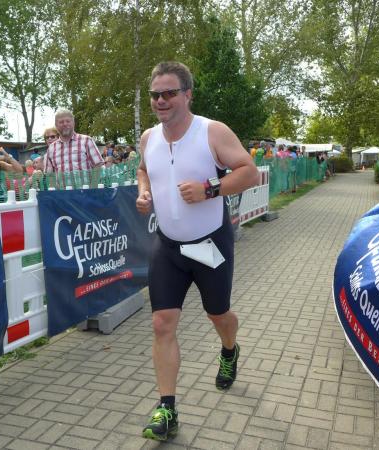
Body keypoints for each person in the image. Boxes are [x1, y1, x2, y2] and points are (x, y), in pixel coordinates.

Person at [135, 61, 259, 441]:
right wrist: (145, 192)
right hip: (168, 246)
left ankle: (229, 349)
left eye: (169, 93)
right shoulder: (148, 138)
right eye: (155, 94)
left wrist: (209, 189)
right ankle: (167, 409)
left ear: (188, 94)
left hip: (208, 244)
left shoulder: (211, 131)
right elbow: (143, 169)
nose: (161, 100)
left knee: (218, 314)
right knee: (161, 323)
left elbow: (249, 171)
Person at [41, 109, 104, 187]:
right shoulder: (51, 148)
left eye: (68, 121)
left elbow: (98, 166)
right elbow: (49, 174)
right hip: (62, 193)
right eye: (61, 122)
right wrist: (55, 191)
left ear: (73, 123)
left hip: (86, 192)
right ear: (56, 125)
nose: (65, 124)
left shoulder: (86, 141)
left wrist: (92, 188)